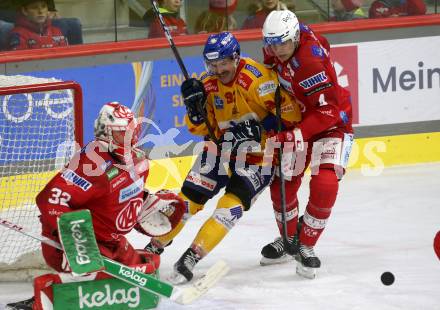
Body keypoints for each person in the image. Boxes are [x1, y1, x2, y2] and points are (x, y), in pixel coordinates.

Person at [144, 31, 302, 284]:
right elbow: (198, 129)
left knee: (229, 208)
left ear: (236, 58)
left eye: (223, 63)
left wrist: (261, 128)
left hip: (259, 158)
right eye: (213, 64)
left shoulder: (258, 80)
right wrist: (194, 110)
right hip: (219, 151)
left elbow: (293, 115)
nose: (218, 69)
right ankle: (151, 249)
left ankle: (191, 257)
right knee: (188, 200)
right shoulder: (206, 84)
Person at [6, 102, 186, 309]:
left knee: (143, 267)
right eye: (122, 134)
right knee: (103, 285)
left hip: (112, 240)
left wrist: (145, 204)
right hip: (74, 244)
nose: (130, 139)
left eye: (132, 132)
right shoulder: (90, 165)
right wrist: (78, 240)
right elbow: (50, 199)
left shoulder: (138, 161)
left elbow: (122, 200)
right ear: (106, 134)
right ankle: (49, 298)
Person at [260, 10, 354, 278]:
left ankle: (306, 245)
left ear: (296, 37)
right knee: (283, 183)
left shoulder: (310, 64)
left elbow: (329, 112)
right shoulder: (285, 40)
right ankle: (289, 240)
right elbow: (322, 40)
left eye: (283, 43)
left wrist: (292, 136)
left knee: (325, 183)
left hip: (331, 124)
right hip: (299, 119)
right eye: (272, 43)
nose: (277, 50)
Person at [0, 0, 82, 50]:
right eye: (35, 8)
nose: (40, 11)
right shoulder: (19, 34)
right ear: (24, 11)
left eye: (43, 7)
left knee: (74, 23)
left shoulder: (56, 30)